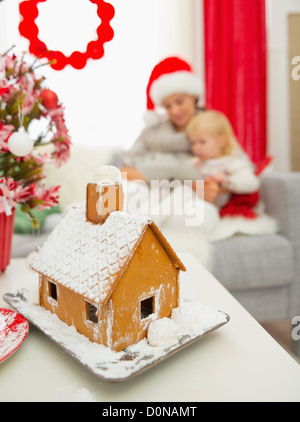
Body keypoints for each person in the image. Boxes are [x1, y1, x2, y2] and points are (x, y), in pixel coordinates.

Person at [121, 56, 204, 182]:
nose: (175, 111)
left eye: (180, 102)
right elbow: (123, 170)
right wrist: (149, 178)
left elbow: (233, 167)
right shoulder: (151, 132)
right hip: (147, 193)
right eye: (168, 106)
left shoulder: (213, 126)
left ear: (193, 96)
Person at [186, 110, 260, 215]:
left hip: (212, 209)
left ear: (221, 141)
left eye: (202, 142)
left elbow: (251, 183)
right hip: (190, 204)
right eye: (193, 143)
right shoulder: (194, 163)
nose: (196, 148)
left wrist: (225, 181)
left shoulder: (230, 162)